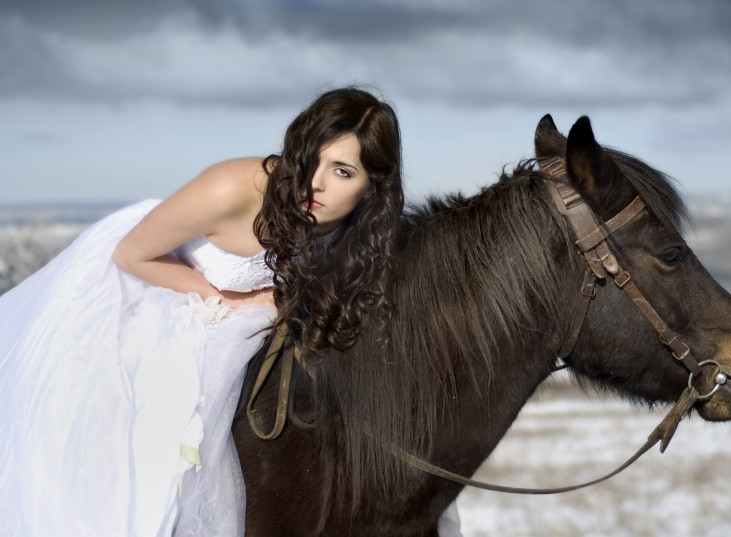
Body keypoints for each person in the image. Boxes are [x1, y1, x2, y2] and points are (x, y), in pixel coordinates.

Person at [0, 87, 461, 536]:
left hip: (238, 307)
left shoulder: (363, 233)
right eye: (310, 159)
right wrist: (233, 299)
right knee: (144, 445)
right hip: (153, 285)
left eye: (342, 171)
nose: (314, 183)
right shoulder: (233, 189)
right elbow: (131, 255)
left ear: (370, 187)